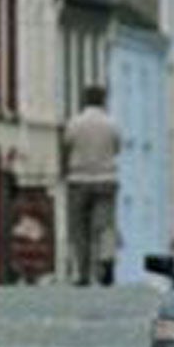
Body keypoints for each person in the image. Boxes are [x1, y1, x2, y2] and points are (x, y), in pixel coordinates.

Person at [62, 84, 122, 285]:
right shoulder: (111, 124)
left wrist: (65, 172)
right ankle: (105, 259)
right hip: (106, 179)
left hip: (79, 179)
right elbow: (117, 148)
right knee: (105, 225)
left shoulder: (75, 123)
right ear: (103, 100)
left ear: (84, 100)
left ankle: (83, 273)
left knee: (80, 228)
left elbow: (66, 147)